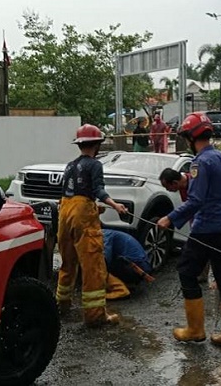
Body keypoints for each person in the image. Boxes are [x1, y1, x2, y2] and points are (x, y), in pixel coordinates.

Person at [157, 113, 221, 350]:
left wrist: (169, 218)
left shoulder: (199, 164)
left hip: (206, 229)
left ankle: (195, 330)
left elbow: (195, 201)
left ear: (191, 138)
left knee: (186, 272)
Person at [56, 124, 128, 326]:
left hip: (65, 211)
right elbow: (98, 190)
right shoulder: (95, 165)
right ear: (97, 145)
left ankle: (61, 304)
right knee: (92, 264)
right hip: (82, 214)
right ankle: (95, 316)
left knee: (68, 262)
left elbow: (75, 193)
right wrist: (115, 205)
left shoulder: (70, 165)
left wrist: (92, 207)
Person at [160, 168, 214, 286]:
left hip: (209, 217)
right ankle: (202, 274)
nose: (167, 190)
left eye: (167, 187)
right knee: (200, 248)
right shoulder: (182, 187)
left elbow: (194, 203)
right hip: (196, 219)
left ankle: (216, 278)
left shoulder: (196, 181)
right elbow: (188, 206)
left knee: (209, 248)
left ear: (174, 183)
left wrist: (170, 219)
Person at [103, 228, 153, 300]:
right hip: (142, 267)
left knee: (99, 264)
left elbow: (105, 259)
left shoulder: (104, 235)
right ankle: (126, 284)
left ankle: (120, 290)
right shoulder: (109, 233)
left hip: (136, 267)